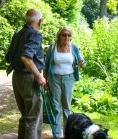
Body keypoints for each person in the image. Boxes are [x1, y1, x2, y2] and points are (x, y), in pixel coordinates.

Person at [6, 9, 46, 139]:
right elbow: (26, 57)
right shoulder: (35, 35)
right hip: (28, 79)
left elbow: (9, 57)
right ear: (40, 22)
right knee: (33, 119)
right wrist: (39, 76)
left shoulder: (18, 34)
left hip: (17, 77)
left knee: (25, 117)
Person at [43, 26, 86, 138]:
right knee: (56, 106)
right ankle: (56, 134)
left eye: (68, 35)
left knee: (66, 106)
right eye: (64, 35)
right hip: (54, 79)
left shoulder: (74, 48)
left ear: (71, 37)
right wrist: (45, 80)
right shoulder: (53, 47)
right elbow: (46, 64)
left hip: (69, 78)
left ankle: (68, 133)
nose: (66, 37)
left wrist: (81, 63)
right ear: (59, 36)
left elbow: (82, 62)